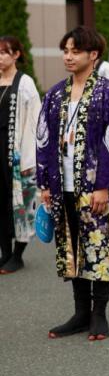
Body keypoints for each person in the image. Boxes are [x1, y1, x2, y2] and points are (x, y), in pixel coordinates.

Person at [36, 26, 109, 340]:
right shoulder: (55, 94)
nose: (68, 56)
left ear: (93, 55)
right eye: (65, 50)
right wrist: (44, 183)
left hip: (94, 186)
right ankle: (80, 312)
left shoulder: (108, 93)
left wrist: (104, 185)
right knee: (72, 247)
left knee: (100, 246)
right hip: (62, 184)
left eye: (75, 51)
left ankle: (99, 314)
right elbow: (43, 139)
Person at [0, 36, 41, 275]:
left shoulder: (25, 83)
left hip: (15, 150)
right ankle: (4, 252)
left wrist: (29, 158)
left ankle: (18, 255)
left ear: (16, 55)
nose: (0, 57)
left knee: (20, 203)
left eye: (4, 52)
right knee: (0, 203)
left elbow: (34, 123)